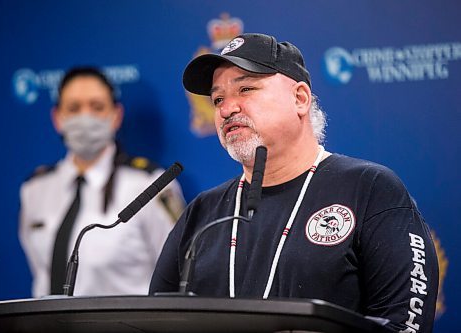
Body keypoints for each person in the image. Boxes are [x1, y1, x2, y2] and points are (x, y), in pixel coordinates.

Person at [149, 34, 438, 332]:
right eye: (218, 99)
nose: (226, 109)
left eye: (246, 89)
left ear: (300, 98)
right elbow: (154, 322)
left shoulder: (370, 188)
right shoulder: (203, 212)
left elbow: (403, 324)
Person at [19, 66, 185, 297]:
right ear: (57, 118)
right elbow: (40, 272)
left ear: (116, 116)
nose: (85, 117)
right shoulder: (35, 189)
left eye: (97, 107)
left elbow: (180, 274)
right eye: (74, 108)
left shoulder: (150, 185)